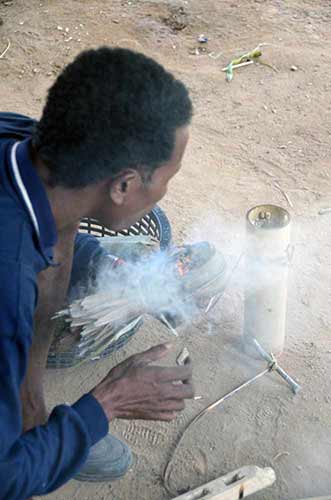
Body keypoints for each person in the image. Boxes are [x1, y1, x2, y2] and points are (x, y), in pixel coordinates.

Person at [0, 47, 194, 499]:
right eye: (169, 177)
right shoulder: (8, 288)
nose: (165, 192)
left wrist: (111, 266)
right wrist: (107, 403)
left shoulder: (21, 142)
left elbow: (56, 231)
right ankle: (44, 437)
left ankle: (35, 419)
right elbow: (4, 480)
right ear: (124, 184)